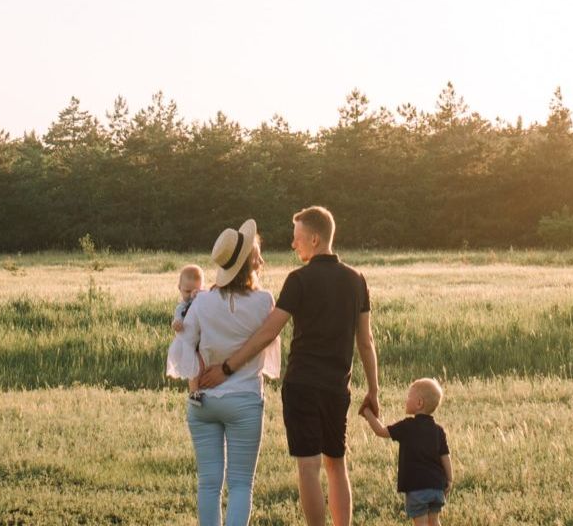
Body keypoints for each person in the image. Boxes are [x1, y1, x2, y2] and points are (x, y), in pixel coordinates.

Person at [192, 206, 378, 526]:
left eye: (297, 239)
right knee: (337, 463)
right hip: (338, 387)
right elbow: (366, 341)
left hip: (303, 386)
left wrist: (227, 367)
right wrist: (373, 389)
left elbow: (268, 332)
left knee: (308, 467)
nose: (294, 245)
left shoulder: (299, 280)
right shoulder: (356, 280)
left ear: (315, 239)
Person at [182, 220, 280, 526]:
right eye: (257, 255)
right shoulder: (264, 301)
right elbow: (270, 347)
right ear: (249, 263)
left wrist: (194, 384)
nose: (261, 261)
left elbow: (187, 347)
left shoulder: (201, 301)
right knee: (240, 484)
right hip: (245, 400)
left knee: (208, 484)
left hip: (204, 401)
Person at [363, 377, 451, 524]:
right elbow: (445, 456)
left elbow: (381, 431)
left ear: (419, 403)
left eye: (409, 396)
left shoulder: (407, 426)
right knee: (434, 521)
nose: (406, 399)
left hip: (417, 488)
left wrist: (367, 412)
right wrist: (449, 479)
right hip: (437, 487)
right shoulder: (438, 430)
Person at [167, 262, 206, 383]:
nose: (191, 295)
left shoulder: (202, 301)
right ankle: (194, 393)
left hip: (203, 341)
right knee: (192, 370)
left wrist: (200, 296)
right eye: (187, 291)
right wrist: (176, 324)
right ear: (179, 288)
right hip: (188, 343)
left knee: (204, 367)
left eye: (195, 291)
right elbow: (177, 320)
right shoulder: (181, 308)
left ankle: (205, 388)